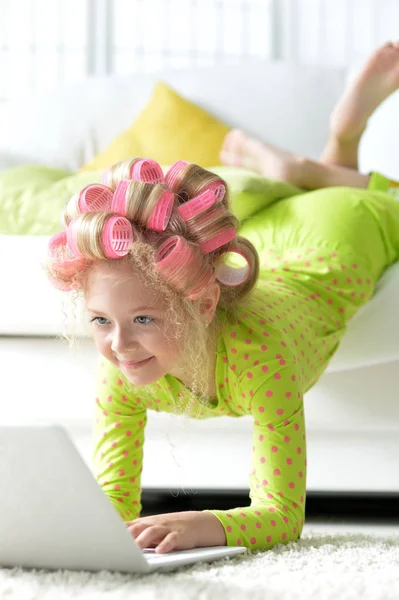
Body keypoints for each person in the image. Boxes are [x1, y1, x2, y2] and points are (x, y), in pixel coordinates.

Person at [46, 42, 399, 555]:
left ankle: (332, 148)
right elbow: (111, 500)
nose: (119, 344)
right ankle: (311, 168)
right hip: (276, 238)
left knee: (373, 202)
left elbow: (282, 515)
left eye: (143, 317)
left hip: (337, 241)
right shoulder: (124, 366)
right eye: (100, 320)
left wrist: (205, 524)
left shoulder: (262, 363)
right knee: (315, 200)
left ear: (205, 305)